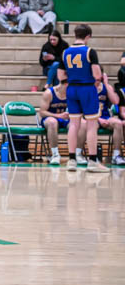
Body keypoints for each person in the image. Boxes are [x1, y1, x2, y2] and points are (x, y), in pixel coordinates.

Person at [60, 24, 109, 174]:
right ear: (88, 36)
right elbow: (97, 75)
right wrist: (96, 80)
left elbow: (61, 76)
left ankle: (71, 160)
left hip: (71, 89)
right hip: (87, 88)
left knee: (73, 125)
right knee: (91, 125)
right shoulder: (89, 51)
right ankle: (93, 161)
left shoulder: (65, 52)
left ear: (75, 35)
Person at [39, 80, 73, 166]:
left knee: (79, 124)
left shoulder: (72, 93)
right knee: (52, 122)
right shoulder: (49, 93)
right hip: (50, 117)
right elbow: (42, 112)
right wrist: (58, 116)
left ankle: (76, 155)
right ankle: (55, 154)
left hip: (65, 118)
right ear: (66, 84)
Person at [97, 73, 124, 166]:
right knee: (89, 125)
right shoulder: (86, 87)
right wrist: (98, 119)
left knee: (118, 123)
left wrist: (106, 84)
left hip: (105, 117)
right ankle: (92, 156)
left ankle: (116, 155)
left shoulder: (106, 87)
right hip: (91, 118)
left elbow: (115, 101)